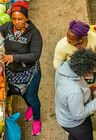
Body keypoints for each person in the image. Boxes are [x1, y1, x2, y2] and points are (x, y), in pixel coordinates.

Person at [0, 1, 42, 136]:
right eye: (14, 19)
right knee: (20, 93)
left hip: (30, 73)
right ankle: (29, 106)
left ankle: (37, 119)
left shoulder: (34, 34)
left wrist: (14, 57)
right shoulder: (6, 28)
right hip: (12, 72)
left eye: (20, 19)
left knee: (32, 96)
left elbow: (34, 55)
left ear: (26, 18)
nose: (17, 22)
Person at [55, 48, 96, 140]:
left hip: (64, 113)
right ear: (84, 72)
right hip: (74, 123)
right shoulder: (74, 91)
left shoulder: (64, 67)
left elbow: (75, 84)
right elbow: (79, 114)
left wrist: (86, 88)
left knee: (74, 137)